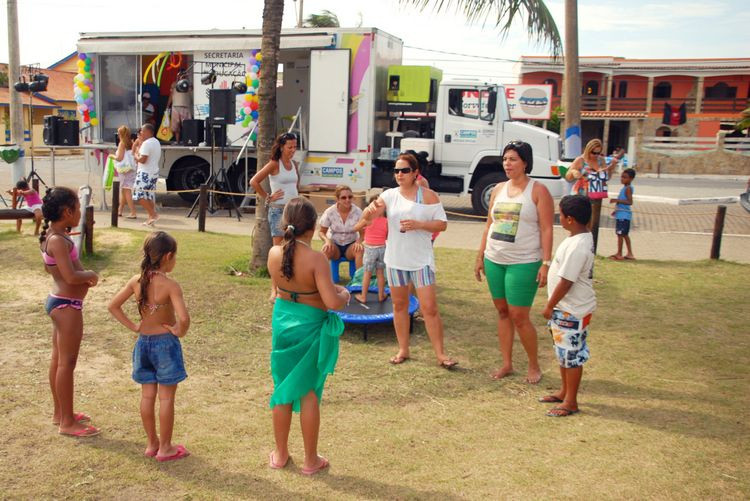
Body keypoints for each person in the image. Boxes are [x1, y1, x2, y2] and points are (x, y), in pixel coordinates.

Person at [267, 197, 350, 475]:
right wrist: (344, 293)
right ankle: (310, 459)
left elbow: (281, 290)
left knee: (282, 388)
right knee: (308, 393)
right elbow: (332, 302)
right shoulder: (316, 259)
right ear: (312, 226)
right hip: (310, 328)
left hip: (282, 324)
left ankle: (280, 454)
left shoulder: (273, 253)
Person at [358, 153, 458, 369]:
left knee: (429, 308)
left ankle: (441, 354)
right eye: (396, 171)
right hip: (395, 259)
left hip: (421, 260)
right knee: (399, 305)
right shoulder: (389, 195)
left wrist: (419, 224)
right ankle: (403, 349)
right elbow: (368, 220)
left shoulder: (429, 196)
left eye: (404, 170)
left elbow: (442, 224)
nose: (399, 174)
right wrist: (367, 214)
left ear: (415, 173)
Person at [474, 141, 553, 384]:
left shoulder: (538, 191)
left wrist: (546, 263)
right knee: (502, 312)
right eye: (505, 159)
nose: (507, 164)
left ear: (525, 162)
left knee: (520, 316)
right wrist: (480, 256)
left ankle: (533, 365)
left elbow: (547, 229)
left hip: (524, 262)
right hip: (494, 259)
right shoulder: (498, 189)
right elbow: (489, 226)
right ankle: (507, 363)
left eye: (513, 159)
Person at [108, 231, 191, 461]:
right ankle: (166, 448)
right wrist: (178, 331)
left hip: (143, 344)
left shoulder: (136, 281)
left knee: (147, 396)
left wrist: (135, 327)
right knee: (166, 399)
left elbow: (113, 306)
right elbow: (183, 318)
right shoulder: (171, 285)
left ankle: (151, 443)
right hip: (165, 345)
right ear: (168, 256)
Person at [40, 187, 100, 437]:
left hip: (61, 303)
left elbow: (53, 271)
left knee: (59, 361)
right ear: (67, 212)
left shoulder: (54, 236)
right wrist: (91, 275)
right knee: (67, 363)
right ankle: (67, 422)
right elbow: (70, 276)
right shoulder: (57, 240)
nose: (79, 213)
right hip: (66, 307)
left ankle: (60, 413)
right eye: (77, 208)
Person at [541, 195, 596, 417]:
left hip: (571, 310)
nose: (559, 217)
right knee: (562, 352)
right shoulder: (578, 237)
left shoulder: (578, 246)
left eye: (561, 214)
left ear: (571, 219)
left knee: (572, 355)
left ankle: (571, 401)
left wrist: (549, 305)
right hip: (564, 309)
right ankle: (564, 391)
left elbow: (566, 281)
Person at [250, 132, 300, 299]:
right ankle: (274, 289)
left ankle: (290, 286)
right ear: (281, 147)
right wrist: (268, 196)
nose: (293, 150)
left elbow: (295, 186)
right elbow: (254, 181)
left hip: (293, 211)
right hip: (278, 210)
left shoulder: (294, 164)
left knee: (293, 249)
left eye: (295, 146)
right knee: (278, 251)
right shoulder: (274, 163)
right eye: (290, 147)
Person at [319, 185, 364, 271]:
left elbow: (363, 233)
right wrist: (327, 241)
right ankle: (322, 279)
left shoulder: (358, 212)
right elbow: (321, 232)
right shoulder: (329, 212)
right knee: (326, 249)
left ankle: (359, 280)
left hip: (351, 245)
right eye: (343, 197)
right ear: (337, 199)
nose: (347, 200)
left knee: (359, 250)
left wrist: (359, 242)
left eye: (350, 197)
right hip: (335, 245)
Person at [353, 194, 388, 303]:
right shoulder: (386, 221)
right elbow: (388, 235)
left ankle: (363, 296)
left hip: (370, 249)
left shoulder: (368, 220)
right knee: (380, 272)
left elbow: (355, 228)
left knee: (367, 273)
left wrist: (364, 219)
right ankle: (381, 295)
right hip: (382, 248)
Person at [132, 123, 161, 226]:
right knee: (148, 196)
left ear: (148, 132)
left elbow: (142, 160)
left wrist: (136, 155)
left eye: (142, 131)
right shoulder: (156, 142)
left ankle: (153, 215)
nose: (141, 133)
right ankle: (151, 218)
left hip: (145, 173)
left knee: (139, 195)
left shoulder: (147, 143)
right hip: (153, 173)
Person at [609, 168, 636, 261]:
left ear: (631, 179)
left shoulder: (628, 188)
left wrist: (616, 200)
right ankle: (629, 253)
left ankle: (619, 253)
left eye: (625, 177)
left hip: (624, 215)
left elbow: (629, 202)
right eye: (622, 177)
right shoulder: (624, 188)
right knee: (624, 234)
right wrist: (616, 210)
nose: (622, 179)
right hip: (621, 213)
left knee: (620, 234)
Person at [115, 125, 138, 219]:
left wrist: (112, 156)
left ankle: (133, 212)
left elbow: (119, 158)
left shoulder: (122, 143)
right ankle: (120, 210)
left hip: (124, 170)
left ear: (120, 134)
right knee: (124, 191)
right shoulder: (131, 142)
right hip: (131, 169)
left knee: (126, 190)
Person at [167, 70, 192, 144]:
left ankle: (187, 141)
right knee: (175, 126)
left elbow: (192, 89)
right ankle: (177, 141)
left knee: (187, 125)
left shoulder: (189, 84)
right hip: (175, 106)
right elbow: (171, 95)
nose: (182, 76)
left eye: (183, 74)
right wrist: (167, 105)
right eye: (180, 74)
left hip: (185, 106)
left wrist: (187, 78)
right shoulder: (174, 84)